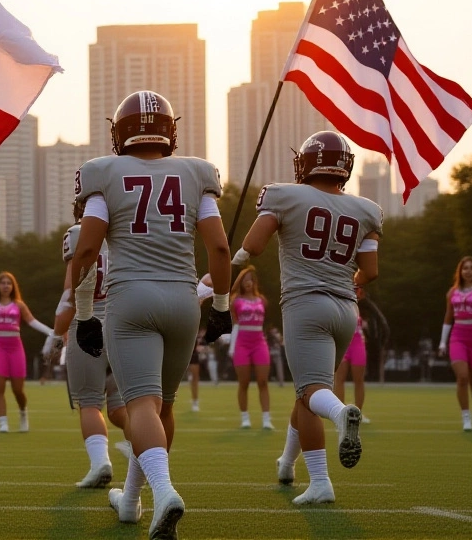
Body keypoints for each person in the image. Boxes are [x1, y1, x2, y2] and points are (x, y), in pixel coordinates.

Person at [71, 91, 230, 539]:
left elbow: (86, 250)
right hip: (183, 300)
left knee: (140, 403)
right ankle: (134, 499)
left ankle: (163, 492)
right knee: (164, 405)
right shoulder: (195, 173)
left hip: (131, 297)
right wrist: (221, 303)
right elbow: (218, 247)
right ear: (170, 130)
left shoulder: (106, 173)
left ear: (119, 131)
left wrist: (84, 312)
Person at [235, 130, 381, 506]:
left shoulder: (285, 195)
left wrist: (228, 264)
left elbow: (253, 245)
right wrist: (347, 279)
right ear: (344, 166)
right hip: (346, 310)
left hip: (305, 305)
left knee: (312, 392)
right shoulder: (365, 209)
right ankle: (287, 463)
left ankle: (322, 476)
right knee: (307, 392)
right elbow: (371, 271)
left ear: (306, 163)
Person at [53, 196, 128, 488]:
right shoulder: (125, 234)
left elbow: (69, 294)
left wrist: (55, 336)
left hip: (88, 325)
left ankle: (100, 464)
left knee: (90, 403)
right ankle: (144, 453)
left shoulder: (77, 235)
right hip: (124, 326)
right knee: (122, 407)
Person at [0, 272, 56, 433]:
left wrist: (51, 331)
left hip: (15, 347)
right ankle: (3, 423)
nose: (6, 286)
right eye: (2, 283)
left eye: (9, 283)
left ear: (13, 286)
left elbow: (32, 321)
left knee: (17, 389)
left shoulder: (19, 305)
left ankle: (23, 413)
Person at [437, 256, 472, 431]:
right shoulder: (452, 293)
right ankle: (466, 417)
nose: (468, 271)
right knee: (462, 377)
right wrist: (442, 343)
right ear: (460, 271)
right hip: (458, 337)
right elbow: (448, 318)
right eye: (465, 268)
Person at [230, 266, 274, 430]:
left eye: (250, 279)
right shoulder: (236, 300)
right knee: (244, 382)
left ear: (254, 281)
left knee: (263, 381)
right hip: (242, 342)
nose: (247, 282)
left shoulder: (262, 300)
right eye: (244, 279)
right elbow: (234, 323)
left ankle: (266, 419)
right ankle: (245, 418)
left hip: (259, 342)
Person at [334, 286, 370, 423]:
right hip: (343, 340)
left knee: (359, 379)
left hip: (357, 341)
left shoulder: (356, 301)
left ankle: (358, 414)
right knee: (340, 379)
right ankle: (340, 414)